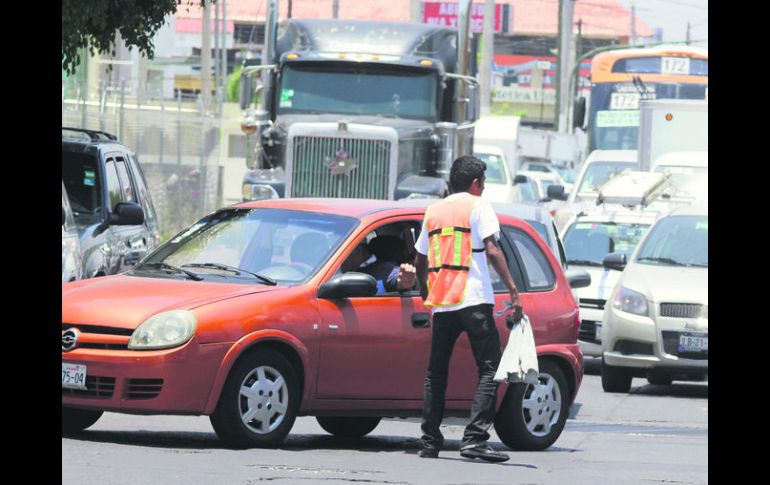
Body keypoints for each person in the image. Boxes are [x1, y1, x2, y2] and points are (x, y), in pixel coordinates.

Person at [414, 155, 523, 463]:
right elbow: (491, 249)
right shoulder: (479, 207)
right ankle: (474, 439)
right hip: (473, 298)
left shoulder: (434, 211)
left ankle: (429, 442)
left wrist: (426, 292)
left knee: (436, 373)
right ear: (476, 183)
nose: (484, 188)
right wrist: (513, 290)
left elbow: (420, 259)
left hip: (444, 303)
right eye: (484, 183)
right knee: (490, 367)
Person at [341, 237, 416, 293]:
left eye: (344, 252)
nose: (341, 258)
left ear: (358, 250)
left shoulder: (386, 269)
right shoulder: (351, 270)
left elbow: (396, 279)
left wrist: (403, 282)